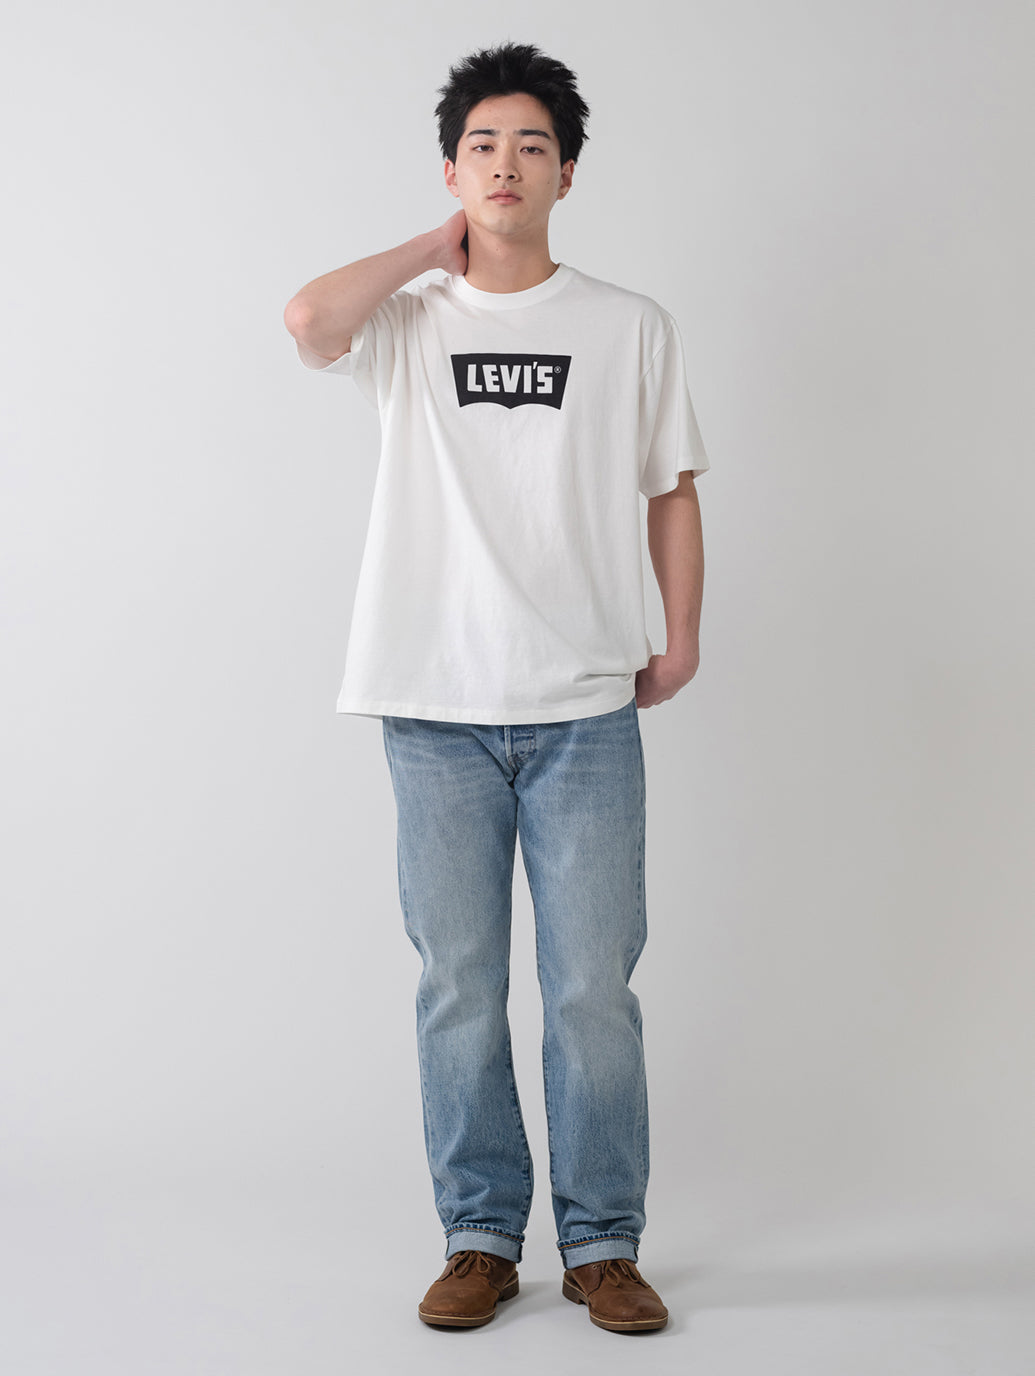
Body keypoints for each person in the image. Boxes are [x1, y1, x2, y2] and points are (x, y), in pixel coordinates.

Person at [283, 41, 709, 1334]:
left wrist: (681, 636)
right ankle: (479, 1238)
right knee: (460, 986)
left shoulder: (629, 325)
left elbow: (672, 491)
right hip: (434, 707)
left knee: (591, 992)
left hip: (584, 710)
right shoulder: (409, 320)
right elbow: (307, 321)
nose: (506, 165)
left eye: (532, 146)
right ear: (453, 170)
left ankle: (603, 1245)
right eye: (483, 147)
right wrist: (439, 248)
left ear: (568, 172)